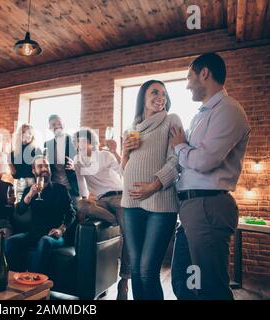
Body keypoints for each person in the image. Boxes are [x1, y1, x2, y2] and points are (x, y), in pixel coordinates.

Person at [170, 53, 250, 300]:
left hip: (208, 206)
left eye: (189, 77)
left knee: (210, 288)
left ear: (204, 73)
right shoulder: (201, 114)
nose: (187, 84)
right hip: (193, 209)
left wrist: (180, 146)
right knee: (182, 282)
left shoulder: (229, 110)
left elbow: (204, 161)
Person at [121, 80, 182, 300]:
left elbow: (176, 160)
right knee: (136, 270)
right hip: (130, 204)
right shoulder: (132, 128)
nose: (161, 97)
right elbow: (124, 170)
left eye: (164, 94)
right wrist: (125, 153)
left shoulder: (171, 120)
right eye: (155, 92)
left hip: (160, 204)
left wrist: (153, 186)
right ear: (143, 98)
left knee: (147, 271)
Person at [70, 128, 130, 300]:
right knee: (80, 205)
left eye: (82, 141)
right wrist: (85, 200)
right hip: (100, 201)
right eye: (76, 142)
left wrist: (116, 152)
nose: (78, 145)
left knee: (129, 237)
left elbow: (122, 172)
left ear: (91, 143)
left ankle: (124, 280)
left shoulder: (105, 155)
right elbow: (82, 185)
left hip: (118, 195)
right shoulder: (78, 161)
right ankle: (115, 222)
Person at [5, 155, 76, 275]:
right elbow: (20, 211)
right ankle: (14, 278)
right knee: (11, 241)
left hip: (55, 236)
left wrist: (61, 230)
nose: (44, 168)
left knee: (45, 241)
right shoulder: (29, 190)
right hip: (34, 233)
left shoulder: (61, 190)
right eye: (40, 166)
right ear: (33, 171)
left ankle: (33, 281)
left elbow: (71, 213)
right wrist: (30, 195)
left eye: (46, 165)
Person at [44, 115, 79, 204]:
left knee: (74, 214)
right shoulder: (47, 144)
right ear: (49, 128)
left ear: (64, 124)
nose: (56, 126)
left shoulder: (75, 141)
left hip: (72, 188)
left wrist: (76, 166)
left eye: (59, 123)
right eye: (53, 124)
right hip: (55, 188)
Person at [9, 123, 42, 200]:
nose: (27, 135)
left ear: (32, 136)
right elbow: (15, 176)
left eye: (29, 133)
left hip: (33, 183)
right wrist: (9, 163)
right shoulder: (13, 153)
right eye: (23, 132)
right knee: (20, 208)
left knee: (34, 207)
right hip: (20, 183)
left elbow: (40, 173)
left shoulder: (37, 151)